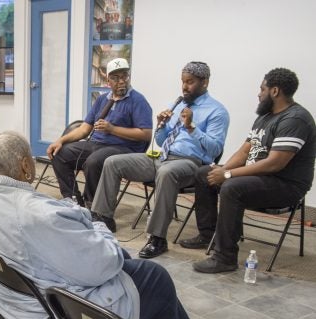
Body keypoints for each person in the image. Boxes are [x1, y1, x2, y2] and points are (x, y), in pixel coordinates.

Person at [0, 131, 189, 319]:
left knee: (129, 266)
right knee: (154, 275)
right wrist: (99, 226)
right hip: (46, 313)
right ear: (26, 165)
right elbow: (104, 265)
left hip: (8, 297)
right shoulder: (36, 213)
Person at [91, 61, 230, 258]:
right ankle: (102, 219)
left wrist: (192, 127)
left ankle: (157, 238)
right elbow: (160, 140)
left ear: (204, 82)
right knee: (113, 161)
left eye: (189, 82)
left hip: (190, 163)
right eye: (182, 82)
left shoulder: (217, 111)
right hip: (161, 158)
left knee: (166, 173)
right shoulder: (180, 104)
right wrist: (162, 125)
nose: (184, 87)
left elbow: (215, 149)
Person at [187, 68, 316, 273]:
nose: (258, 93)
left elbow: (275, 163)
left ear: (275, 91)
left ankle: (225, 257)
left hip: (285, 184)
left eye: (261, 88)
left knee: (232, 187)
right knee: (204, 173)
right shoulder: (265, 116)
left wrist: (227, 175)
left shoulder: (295, 119)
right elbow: (245, 150)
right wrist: (221, 170)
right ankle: (208, 234)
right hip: (260, 178)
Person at [47, 58, 152, 206]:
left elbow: (146, 134)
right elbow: (84, 129)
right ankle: (73, 201)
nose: (121, 81)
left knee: (94, 162)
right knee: (59, 154)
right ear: (108, 80)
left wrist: (112, 129)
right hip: (97, 144)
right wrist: (60, 141)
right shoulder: (102, 100)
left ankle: (92, 206)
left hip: (125, 148)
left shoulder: (138, 100)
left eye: (124, 76)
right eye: (116, 78)